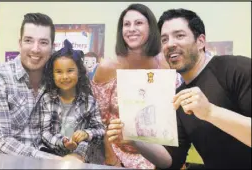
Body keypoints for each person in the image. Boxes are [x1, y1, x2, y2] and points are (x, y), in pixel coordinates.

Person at [106, 8, 251, 169]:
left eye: (179, 36)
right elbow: (170, 161)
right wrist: (134, 139)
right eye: (164, 39)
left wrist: (210, 112)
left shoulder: (237, 69)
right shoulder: (178, 96)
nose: (170, 44)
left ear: (200, 41)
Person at [92, 3, 172, 169]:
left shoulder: (163, 63)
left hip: (157, 153)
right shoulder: (108, 67)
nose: (131, 29)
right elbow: (98, 121)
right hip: (117, 153)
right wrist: (112, 159)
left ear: (151, 28)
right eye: (126, 24)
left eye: (138, 23)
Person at [0, 13, 61, 159]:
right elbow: (0, 142)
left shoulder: (55, 80)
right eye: (29, 40)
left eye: (43, 42)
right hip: (0, 163)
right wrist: (54, 160)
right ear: (20, 43)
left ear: (52, 47)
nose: (35, 49)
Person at [40, 39, 105, 163]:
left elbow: (100, 130)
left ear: (79, 72)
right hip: (52, 155)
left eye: (70, 71)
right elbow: (45, 133)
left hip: (82, 156)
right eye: (59, 72)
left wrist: (86, 134)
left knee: (82, 150)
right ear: (52, 75)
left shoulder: (89, 101)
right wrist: (63, 142)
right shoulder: (47, 99)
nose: (64, 76)